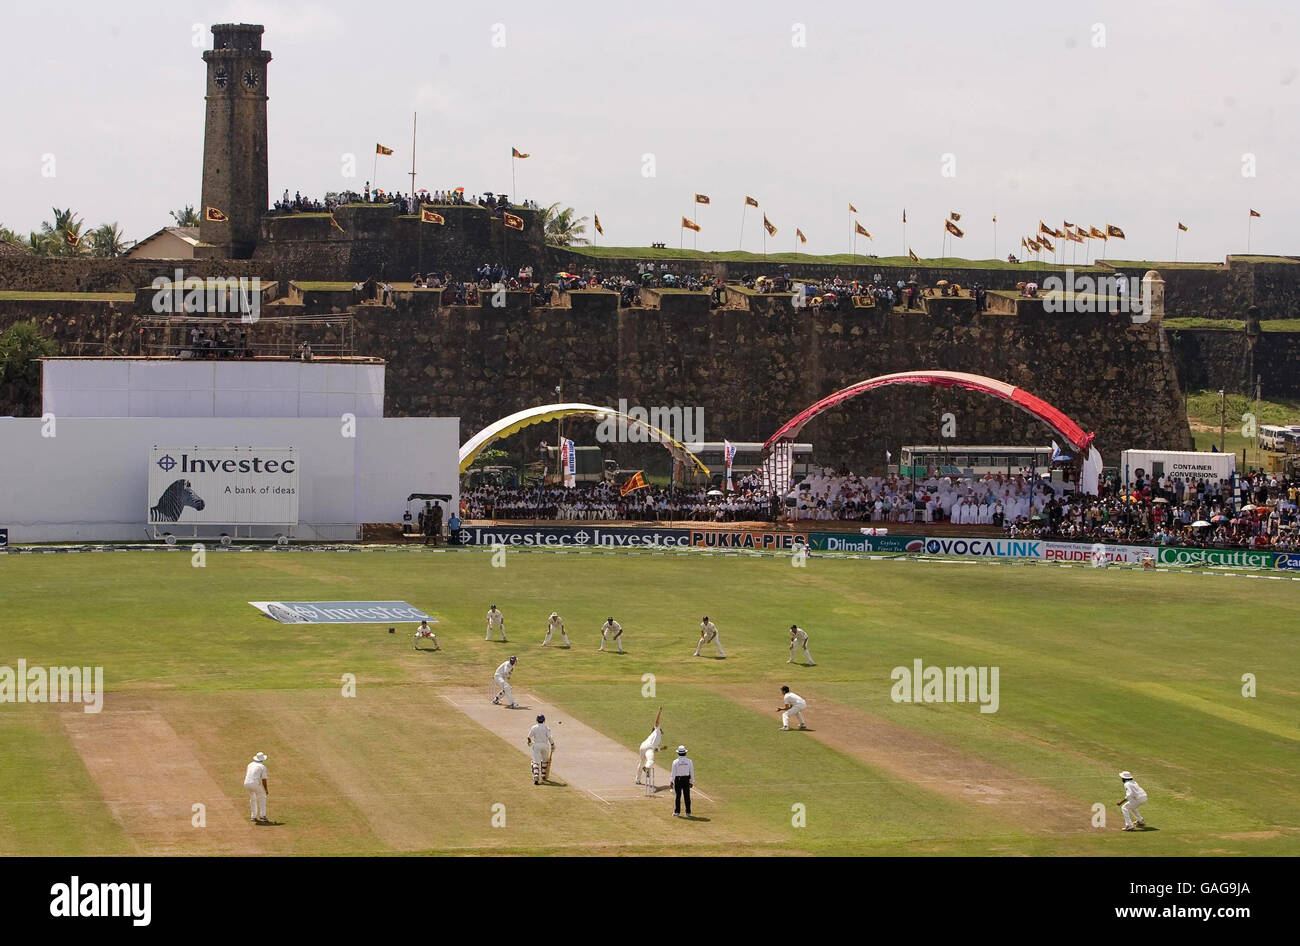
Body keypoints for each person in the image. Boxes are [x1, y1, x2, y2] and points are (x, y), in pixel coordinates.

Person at [636, 708, 664, 789]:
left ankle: (637, 779)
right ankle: (646, 768)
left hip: (643, 746)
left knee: (641, 762)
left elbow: (655, 750)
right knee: (650, 761)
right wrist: (659, 711)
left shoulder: (655, 738)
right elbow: (656, 721)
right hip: (648, 748)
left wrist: (662, 748)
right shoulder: (657, 730)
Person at [527, 714, 555, 785]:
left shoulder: (534, 727)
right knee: (545, 761)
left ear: (536, 720)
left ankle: (536, 776)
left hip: (536, 745)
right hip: (545, 745)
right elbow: (550, 738)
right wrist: (552, 745)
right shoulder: (546, 728)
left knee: (536, 762)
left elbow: (529, 737)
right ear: (544, 720)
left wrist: (529, 743)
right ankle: (543, 775)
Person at [243, 751, 269, 824]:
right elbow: (264, 779)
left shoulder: (250, 764)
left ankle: (253, 816)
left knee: (252, 799)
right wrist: (266, 789)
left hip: (246, 783)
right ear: (263, 759)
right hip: (254, 783)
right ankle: (263, 816)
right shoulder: (262, 766)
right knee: (262, 796)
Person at [670, 746, 694, 817]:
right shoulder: (689, 761)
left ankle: (677, 812)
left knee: (678, 796)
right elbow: (691, 772)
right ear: (685, 753)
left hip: (678, 780)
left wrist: (671, 781)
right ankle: (688, 812)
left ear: (678, 753)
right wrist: (692, 781)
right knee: (687, 796)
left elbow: (673, 773)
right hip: (686, 780)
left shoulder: (675, 762)